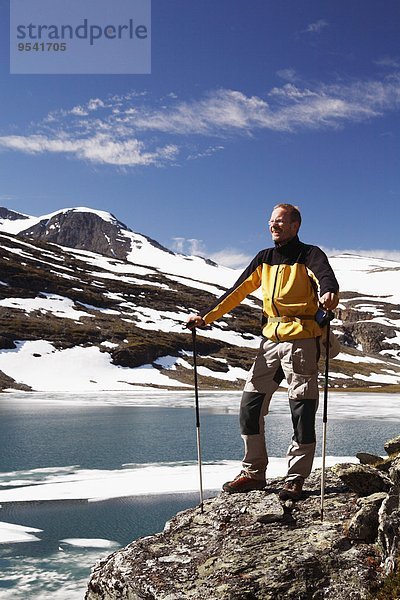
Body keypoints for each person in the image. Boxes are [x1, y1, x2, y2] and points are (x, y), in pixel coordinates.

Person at [187, 203, 339, 500]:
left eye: (280, 221)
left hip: (302, 340)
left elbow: (325, 277)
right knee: (250, 407)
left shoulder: (309, 254)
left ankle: (295, 478)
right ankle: (254, 473)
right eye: (271, 221)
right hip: (270, 341)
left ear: (295, 225)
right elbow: (237, 291)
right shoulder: (264, 259)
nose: (273, 225)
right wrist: (205, 317)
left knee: (302, 411)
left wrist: (329, 291)